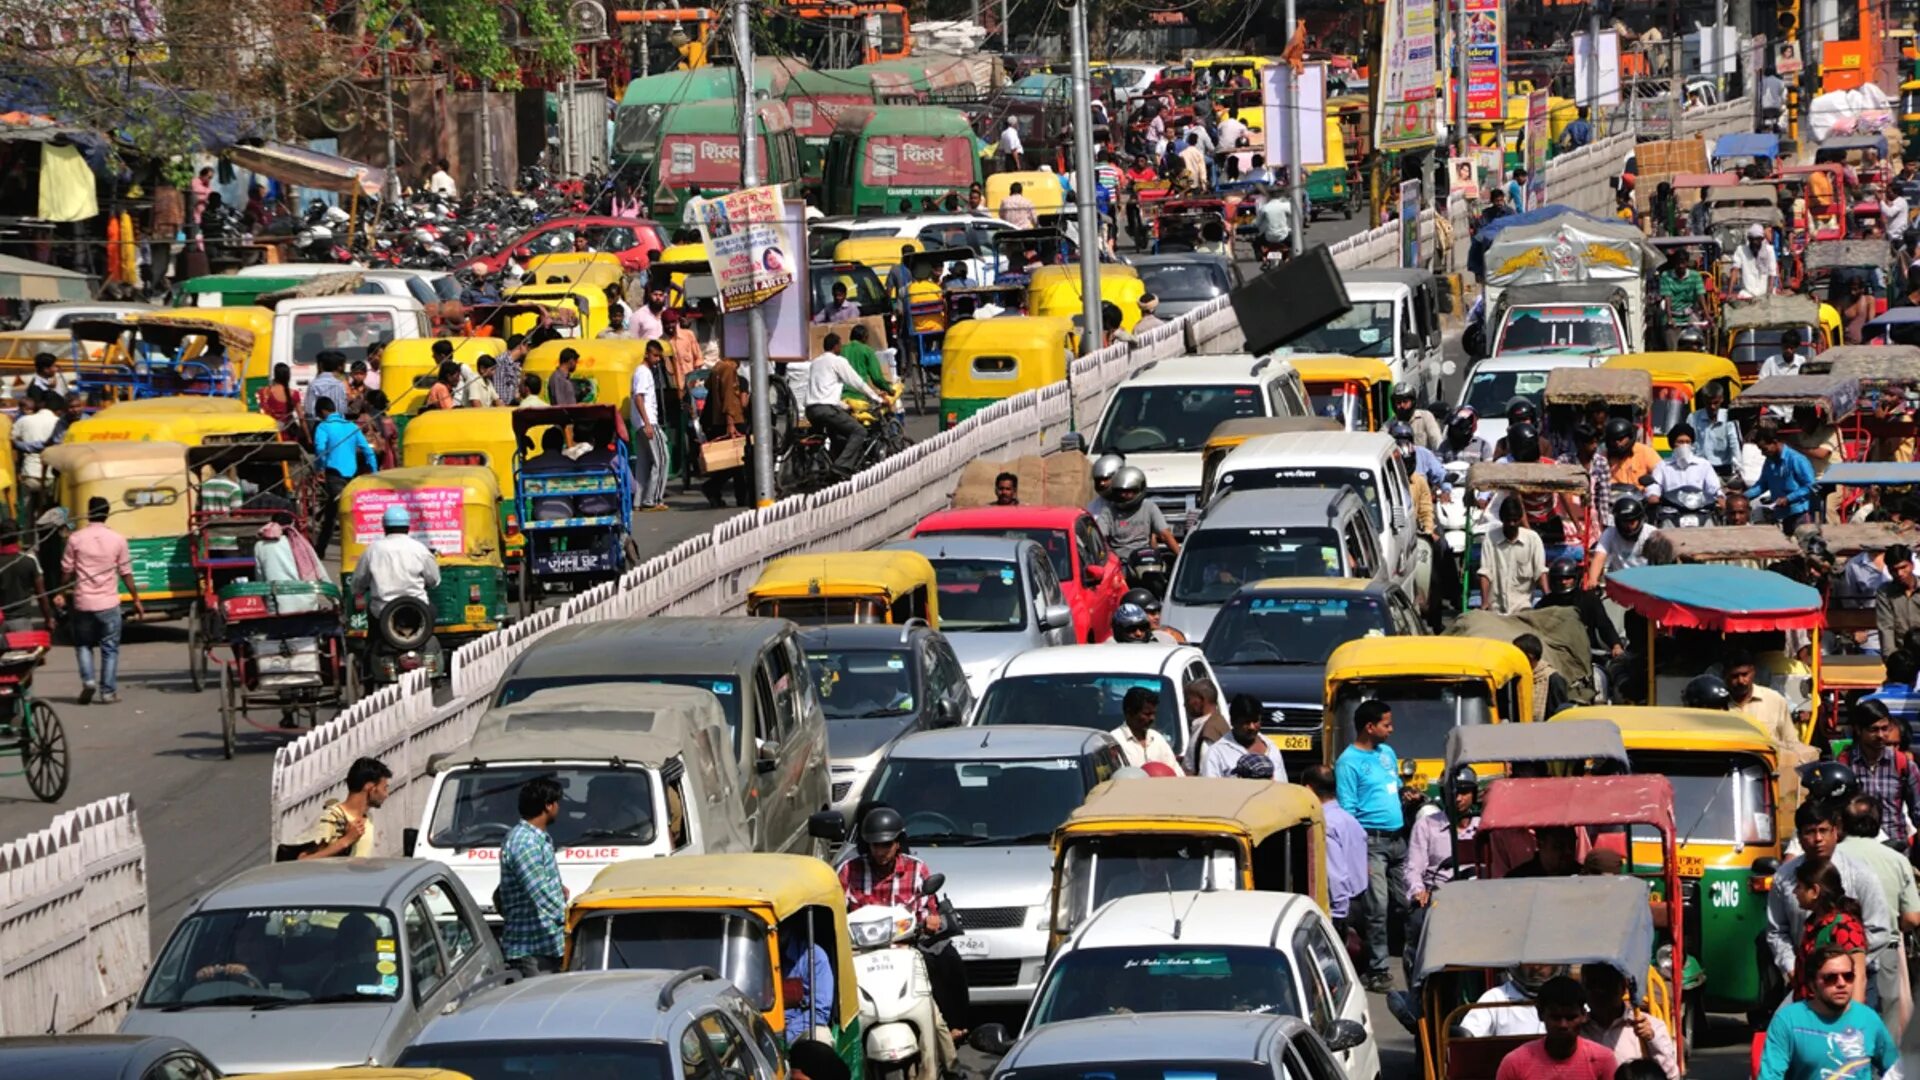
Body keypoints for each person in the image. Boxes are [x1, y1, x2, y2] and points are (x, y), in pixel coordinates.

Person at [839, 807, 968, 1039]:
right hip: (861, 950)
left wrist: (932, 918)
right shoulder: (849, 870)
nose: (880, 851)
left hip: (908, 946)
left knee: (947, 959)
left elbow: (929, 906)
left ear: (898, 843)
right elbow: (836, 907)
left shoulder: (917, 868)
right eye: (874, 845)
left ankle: (951, 1033)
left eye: (886, 845)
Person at [1766, 800, 1897, 1014]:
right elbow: (1777, 931)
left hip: (1853, 982)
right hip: (1804, 984)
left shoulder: (1860, 874)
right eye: (1810, 832)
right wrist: (1792, 967)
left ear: (1836, 832)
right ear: (1799, 837)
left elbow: (1879, 930)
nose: (1818, 839)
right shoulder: (1784, 878)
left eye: (1824, 830)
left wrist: (1844, 965)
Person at [1337, 700, 1407, 991]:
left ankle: (1411, 958)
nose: (1391, 730)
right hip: (1371, 843)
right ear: (1370, 727)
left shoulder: (1387, 754)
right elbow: (1348, 811)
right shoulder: (1348, 762)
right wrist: (1356, 853)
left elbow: (1395, 788)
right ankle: (1377, 969)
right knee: (1377, 907)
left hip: (1398, 840)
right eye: (1386, 724)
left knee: (1406, 902)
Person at [1757, 946, 1899, 1080]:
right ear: (1812, 984)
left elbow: (1896, 1070)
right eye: (1830, 978)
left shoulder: (1868, 1018)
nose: (1841, 983)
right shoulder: (1787, 1020)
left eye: (1848, 976)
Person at [59, 496, 142, 705]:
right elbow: (126, 572)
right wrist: (136, 599)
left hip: (83, 602)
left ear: (88, 513)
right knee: (110, 647)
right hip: (108, 603)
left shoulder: (75, 538)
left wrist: (60, 591)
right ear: (107, 514)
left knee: (83, 645)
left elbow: (67, 570)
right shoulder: (118, 539)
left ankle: (88, 680)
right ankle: (107, 692)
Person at [1403, 765, 1479, 970]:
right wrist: (1419, 892)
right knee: (1418, 924)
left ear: (1474, 794)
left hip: (1479, 897)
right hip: (1439, 898)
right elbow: (1414, 868)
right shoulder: (1427, 825)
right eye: (1453, 792)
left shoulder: (1484, 826)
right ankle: (1419, 985)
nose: (1458, 798)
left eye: (1464, 792)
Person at [499, 776, 566, 976]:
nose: (558, 808)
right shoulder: (524, 842)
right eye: (557, 803)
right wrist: (571, 919)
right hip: (531, 950)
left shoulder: (537, 838)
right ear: (548, 806)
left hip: (546, 945)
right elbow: (540, 893)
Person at [1493, 976, 1617, 1080]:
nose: (1563, 1025)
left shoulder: (1603, 1060)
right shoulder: (1515, 1063)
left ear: (1584, 1015)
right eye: (1556, 1018)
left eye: (1570, 1018)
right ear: (1541, 1015)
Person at [803, 334, 888, 478]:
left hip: (811, 410)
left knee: (836, 433)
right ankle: (841, 466)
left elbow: (823, 391)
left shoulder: (815, 363)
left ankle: (830, 465)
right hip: (827, 409)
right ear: (836, 346)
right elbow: (857, 382)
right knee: (859, 431)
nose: (841, 348)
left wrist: (845, 407)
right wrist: (876, 398)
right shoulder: (838, 361)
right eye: (840, 345)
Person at [1837, 701, 1920, 848]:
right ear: (1858, 730)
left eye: (1884, 728)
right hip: (1858, 849)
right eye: (1873, 730)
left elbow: (1918, 810)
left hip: (1897, 849)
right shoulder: (1845, 765)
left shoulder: (1903, 764)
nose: (1881, 735)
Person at [1790, 858, 1869, 1002]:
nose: (1795, 892)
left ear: (1814, 891)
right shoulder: (1814, 924)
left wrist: (1854, 1020)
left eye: (1799, 886)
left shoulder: (1845, 926)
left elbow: (1858, 977)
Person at [1302, 763, 1368, 936]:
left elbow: (1336, 875)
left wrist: (1337, 918)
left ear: (1308, 789)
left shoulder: (1324, 824)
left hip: (1342, 909)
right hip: (1359, 901)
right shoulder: (1349, 819)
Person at [349, 505, 442, 624]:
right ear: (408, 527)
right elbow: (434, 580)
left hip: (382, 611)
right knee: (432, 611)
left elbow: (358, 582)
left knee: (372, 633)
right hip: (418, 609)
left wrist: (360, 589)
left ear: (384, 527)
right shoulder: (420, 549)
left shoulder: (372, 550)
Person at [288, 757, 391, 859]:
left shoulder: (368, 817)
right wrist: (346, 840)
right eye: (384, 788)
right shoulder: (332, 818)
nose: (386, 794)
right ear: (370, 787)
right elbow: (303, 861)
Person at [311, 396, 376, 555]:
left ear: (323, 412)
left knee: (333, 514)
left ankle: (321, 550)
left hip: (333, 474)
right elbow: (368, 451)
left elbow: (320, 449)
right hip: (352, 476)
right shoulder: (351, 427)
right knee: (349, 511)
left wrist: (320, 466)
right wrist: (374, 472)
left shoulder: (323, 427)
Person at [1535, 558, 1624, 659]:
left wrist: (1616, 645)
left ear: (1576, 578)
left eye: (1568, 578)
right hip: (1555, 657)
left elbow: (1604, 625)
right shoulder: (1544, 604)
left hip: (1587, 655)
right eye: (1559, 579)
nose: (1563, 582)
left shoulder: (1589, 599)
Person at [1724, 647, 1806, 752]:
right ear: (1725, 675)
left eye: (1745, 675)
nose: (1741, 681)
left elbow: (1791, 743)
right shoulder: (1717, 704)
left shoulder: (1775, 700)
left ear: (1753, 671)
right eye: (1734, 676)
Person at [1093, 466, 1179, 561]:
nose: (1123, 495)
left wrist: (1180, 556)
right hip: (1120, 560)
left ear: (1139, 490)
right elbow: (1100, 536)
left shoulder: (1149, 507)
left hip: (1145, 556)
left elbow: (1165, 535)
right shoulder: (1109, 510)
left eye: (1128, 492)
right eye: (1120, 491)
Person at [1748, 419, 1818, 533]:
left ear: (1775, 442)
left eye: (1764, 449)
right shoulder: (1769, 462)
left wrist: (1789, 498)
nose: (1762, 453)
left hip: (1801, 514)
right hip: (1784, 515)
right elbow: (1762, 484)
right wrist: (1744, 496)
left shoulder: (1797, 459)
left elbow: (1811, 486)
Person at [1478, 497, 1546, 615]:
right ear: (1501, 519)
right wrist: (1484, 603)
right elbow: (1485, 573)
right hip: (1496, 610)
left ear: (1520, 519)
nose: (1512, 524)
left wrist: (1548, 597)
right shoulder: (1490, 538)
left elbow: (1540, 571)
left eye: (1515, 520)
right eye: (1508, 520)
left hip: (1523, 610)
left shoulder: (1533, 539)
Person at [1461, 963, 1565, 1038]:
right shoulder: (1495, 998)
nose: (1536, 967)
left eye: (1543, 961)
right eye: (1529, 962)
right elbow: (1468, 1035)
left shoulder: (1569, 997)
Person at [1199, 692, 1287, 780]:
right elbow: (1211, 790)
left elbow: (1283, 787)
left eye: (1255, 721)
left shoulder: (1272, 748)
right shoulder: (1217, 753)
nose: (1252, 727)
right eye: (1246, 722)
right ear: (1233, 721)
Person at [1643, 423, 1721, 512]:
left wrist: (1720, 496)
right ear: (1672, 444)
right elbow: (1655, 485)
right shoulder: (1663, 466)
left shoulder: (1703, 465)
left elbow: (1713, 487)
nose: (1684, 445)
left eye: (1687, 442)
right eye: (1680, 442)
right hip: (1672, 511)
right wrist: (1653, 495)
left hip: (1699, 510)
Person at [1585, 497, 1660, 588]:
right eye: (1624, 522)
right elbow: (1599, 557)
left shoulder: (1651, 533)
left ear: (1639, 519)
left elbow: (1662, 562)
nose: (1628, 526)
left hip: (1647, 585)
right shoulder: (1610, 533)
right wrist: (1592, 579)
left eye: (1632, 522)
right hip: (1620, 585)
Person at [630, 340, 670, 511]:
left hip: (640, 423)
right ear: (647, 353)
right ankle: (652, 499)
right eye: (655, 355)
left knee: (644, 463)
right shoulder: (643, 372)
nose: (657, 360)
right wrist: (647, 423)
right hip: (648, 422)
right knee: (662, 459)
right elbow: (639, 397)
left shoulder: (642, 372)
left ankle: (638, 501)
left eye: (659, 357)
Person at [11, 393, 59, 526]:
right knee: (47, 510)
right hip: (50, 474)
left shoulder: (24, 421)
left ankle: (28, 540)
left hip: (30, 472)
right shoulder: (58, 421)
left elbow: (13, 440)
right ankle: (46, 541)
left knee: (27, 509)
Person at [780, 924, 834, 1041]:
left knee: (820, 1037)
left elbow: (820, 1011)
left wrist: (786, 1035)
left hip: (797, 1030)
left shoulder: (814, 957)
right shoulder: (753, 954)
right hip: (763, 1029)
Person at [1111, 686, 1182, 772]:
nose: (1152, 718)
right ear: (1129, 713)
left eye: (1154, 713)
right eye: (1147, 714)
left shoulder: (1157, 739)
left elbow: (1175, 771)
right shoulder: (1114, 741)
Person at [0, 522, 51, 632]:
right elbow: (41, 594)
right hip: (21, 621)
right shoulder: (29, 560)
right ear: (18, 536)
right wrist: (48, 619)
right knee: (24, 648)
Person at [1686, 382, 1742, 479]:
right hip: (1700, 468)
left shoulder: (1728, 417)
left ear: (1722, 399)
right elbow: (1690, 444)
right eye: (1709, 403)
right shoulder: (1693, 418)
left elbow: (1734, 444)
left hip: (1723, 468)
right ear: (1703, 401)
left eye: (1715, 403)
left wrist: (1739, 470)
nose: (1712, 407)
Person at [1874, 545, 1920, 654]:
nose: (1899, 574)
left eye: (1903, 567)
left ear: (1912, 566)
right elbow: (1886, 628)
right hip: (1902, 654)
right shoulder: (1885, 592)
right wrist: (1891, 660)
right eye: (1894, 570)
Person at [1181, 679, 1227, 774]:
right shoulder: (1219, 721)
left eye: (1188, 699)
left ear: (1201, 700)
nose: (1184, 704)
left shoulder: (1208, 733)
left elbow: (1206, 772)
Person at [1732, 223, 1779, 300]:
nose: (1754, 242)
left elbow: (1772, 273)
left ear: (1762, 239)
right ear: (1749, 239)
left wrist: (1769, 294)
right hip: (1747, 293)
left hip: (1765, 292)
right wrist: (1730, 293)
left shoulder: (1769, 250)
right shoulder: (1741, 250)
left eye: (1757, 239)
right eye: (1752, 239)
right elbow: (1735, 270)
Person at [303, 350, 350, 423]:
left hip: (320, 425)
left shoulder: (314, 384)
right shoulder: (340, 384)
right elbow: (343, 409)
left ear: (320, 365)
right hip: (337, 424)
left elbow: (309, 411)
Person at [1394, 384, 1444, 450]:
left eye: (1405, 402)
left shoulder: (1426, 417)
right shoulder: (1390, 425)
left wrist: (1439, 454)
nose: (1402, 405)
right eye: (1398, 402)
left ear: (1413, 402)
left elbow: (1437, 440)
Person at [1255, 184, 1294, 260]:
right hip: (1284, 237)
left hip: (1269, 238)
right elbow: (1295, 216)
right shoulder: (1286, 205)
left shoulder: (1264, 208)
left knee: (1255, 243)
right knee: (1297, 244)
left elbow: (1257, 223)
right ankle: (1290, 258)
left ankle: (1262, 258)